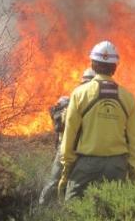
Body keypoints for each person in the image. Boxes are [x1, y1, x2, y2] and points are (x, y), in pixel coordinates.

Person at [59, 40, 135, 201]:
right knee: (115, 210)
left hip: (86, 165)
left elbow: (69, 135)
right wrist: (134, 170)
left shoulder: (79, 94)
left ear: (93, 64)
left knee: (74, 210)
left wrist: (67, 168)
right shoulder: (128, 97)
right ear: (115, 67)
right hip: (117, 165)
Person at [39, 68, 96, 205]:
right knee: (54, 181)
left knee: (77, 185)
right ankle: (42, 208)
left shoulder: (96, 104)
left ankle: (68, 209)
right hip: (67, 148)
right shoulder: (73, 100)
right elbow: (61, 123)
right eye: (85, 83)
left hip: (85, 151)